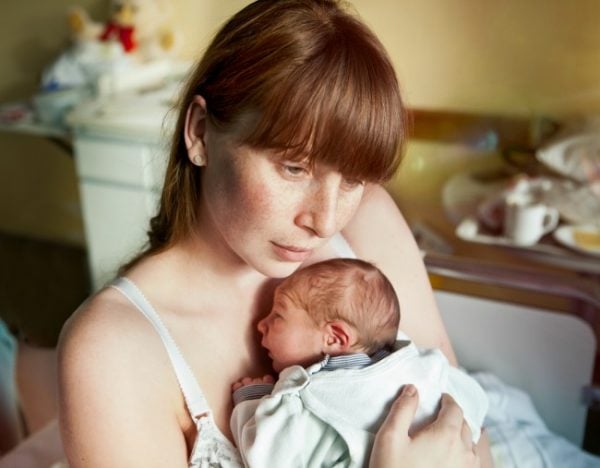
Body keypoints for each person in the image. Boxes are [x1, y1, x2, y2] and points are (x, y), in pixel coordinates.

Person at [58, 1, 490, 467]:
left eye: (351, 179)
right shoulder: (112, 351)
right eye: (294, 167)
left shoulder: (367, 221)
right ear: (201, 132)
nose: (324, 221)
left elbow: (469, 433)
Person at [230, 258, 488, 467]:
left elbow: (268, 454)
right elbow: (473, 398)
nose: (261, 324)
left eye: (278, 315)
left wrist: (254, 401)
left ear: (334, 337)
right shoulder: (423, 363)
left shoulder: (315, 399)